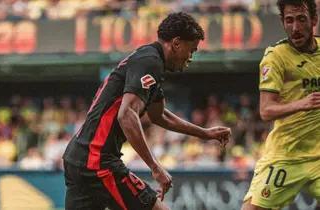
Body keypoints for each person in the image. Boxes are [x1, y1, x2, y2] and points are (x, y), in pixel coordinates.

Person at [63, 12, 231, 210]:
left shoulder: (147, 61)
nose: (190, 57)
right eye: (191, 50)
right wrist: (155, 167)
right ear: (176, 43)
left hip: (78, 157)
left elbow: (159, 115)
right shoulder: (150, 62)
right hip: (98, 161)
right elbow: (127, 115)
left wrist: (204, 133)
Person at [242, 0, 320, 209]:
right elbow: (266, 111)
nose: (295, 28)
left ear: (314, 20)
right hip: (287, 156)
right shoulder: (275, 57)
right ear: (282, 22)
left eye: (301, 19)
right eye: (289, 20)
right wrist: (301, 104)